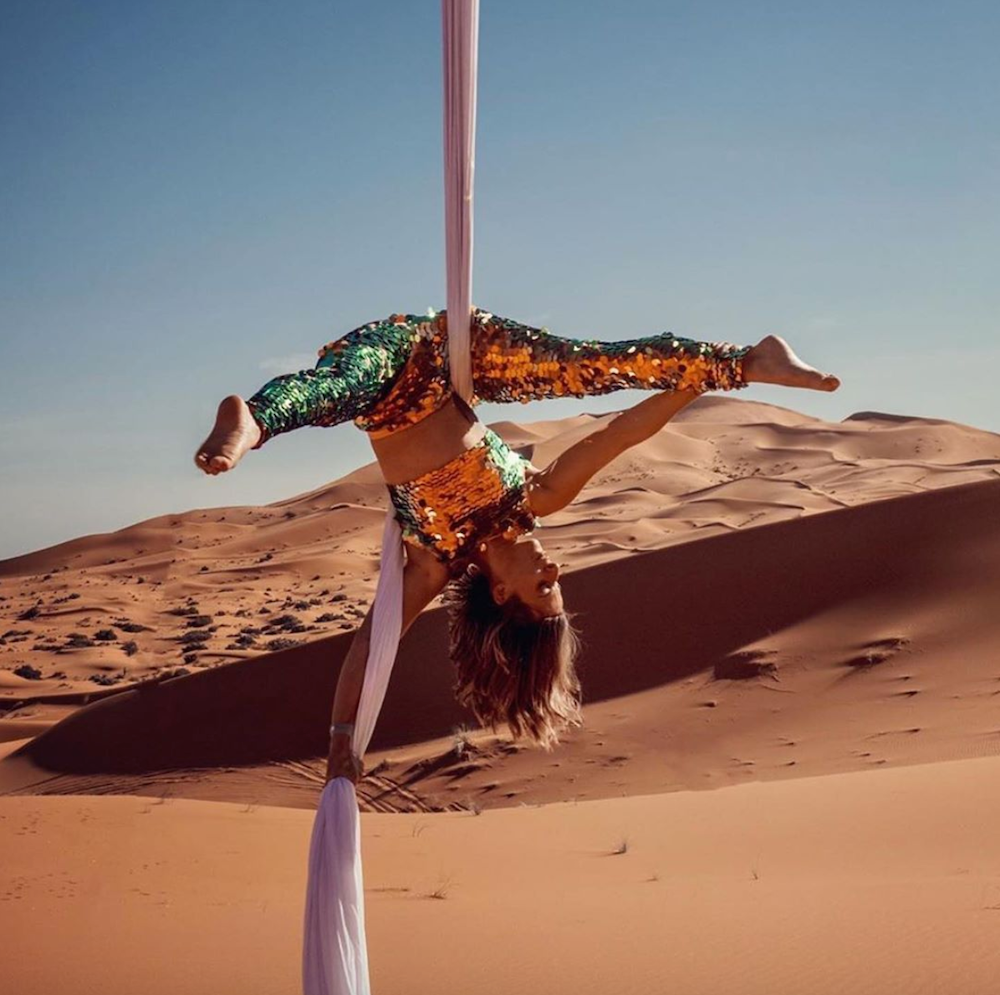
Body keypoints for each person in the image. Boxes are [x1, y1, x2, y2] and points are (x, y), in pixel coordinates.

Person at [194, 308, 840, 783]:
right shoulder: (538, 498)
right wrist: (704, 380)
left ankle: (253, 419)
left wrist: (341, 738)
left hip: (386, 375)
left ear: (501, 593)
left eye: (546, 585)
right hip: (458, 348)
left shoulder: (430, 557)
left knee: (336, 389)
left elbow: (371, 645)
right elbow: (621, 434)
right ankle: (748, 358)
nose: (555, 566)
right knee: (589, 365)